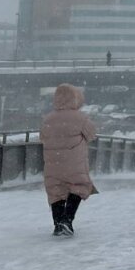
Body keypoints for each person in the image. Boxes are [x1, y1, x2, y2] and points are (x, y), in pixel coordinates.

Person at [40, 83, 97, 237]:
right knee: (79, 186)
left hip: (53, 163)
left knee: (55, 191)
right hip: (74, 162)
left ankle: (58, 224)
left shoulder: (48, 119)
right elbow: (91, 135)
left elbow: (42, 138)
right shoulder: (81, 118)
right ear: (76, 99)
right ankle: (67, 220)